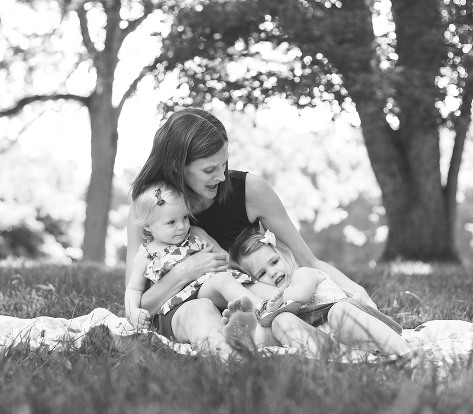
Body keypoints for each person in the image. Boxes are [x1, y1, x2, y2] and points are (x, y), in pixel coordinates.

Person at [126, 108, 377, 358]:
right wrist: (186, 271)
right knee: (202, 311)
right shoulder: (151, 207)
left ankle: (316, 339)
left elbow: (308, 261)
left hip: (250, 304)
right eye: (209, 169)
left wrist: (355, 291)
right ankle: (228, 359)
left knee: (294, 310)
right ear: (177, 167)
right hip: (181, 310)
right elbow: (137, 304)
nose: (221, 176)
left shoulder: (250, 191)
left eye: (224, 164)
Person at [124, 181, 302, 335]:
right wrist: (132, 311)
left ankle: (286, 301)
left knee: (241, 282)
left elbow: (225, 258)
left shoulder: (195, 234)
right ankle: (263, 308)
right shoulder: (146, 255)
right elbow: (133, 290)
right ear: (148, 226)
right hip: (182, 300)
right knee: (223, 280)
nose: (181, 226)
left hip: (211, 287)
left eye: (185, 217)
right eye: (171, 222)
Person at [230, 225, 412, 358]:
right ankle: (325, 360)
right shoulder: (281, 304)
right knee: (281, 321)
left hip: (358, 322)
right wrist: (269, 312)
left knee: (338, 312)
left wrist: (276, 301)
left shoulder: (302, 274)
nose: (272, 272)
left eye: (274, 262)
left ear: (285, 254)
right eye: (262, 273)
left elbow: (301, 295)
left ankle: (403, 352)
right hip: (333, 342)